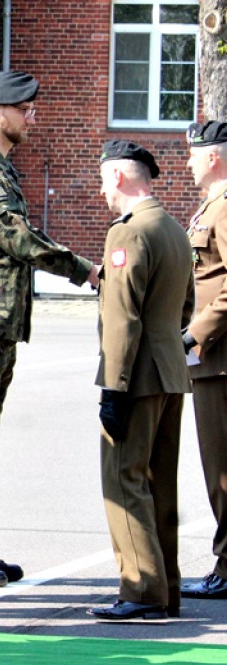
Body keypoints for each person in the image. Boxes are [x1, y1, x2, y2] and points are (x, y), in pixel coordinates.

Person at [0, 70, 99, 585]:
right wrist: (82, 270)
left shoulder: (0, 166)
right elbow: (15, 236)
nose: (32, 118)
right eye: (23, 110)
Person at [88, 140, 193, 621]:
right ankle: (165, 588)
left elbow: (122, 319)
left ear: (118, 176)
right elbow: (185, 306)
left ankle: (141, 589)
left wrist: (114, 387)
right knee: (159, 483)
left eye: (103, 180)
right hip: (169, 372)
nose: (102, 191)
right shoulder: (173, 228)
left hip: (136, 377)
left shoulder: (128, 233)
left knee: (124, 479)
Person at [181, 120, 227, 601]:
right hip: (212, 360)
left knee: (221, 471)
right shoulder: (212, 206)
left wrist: (194, 335)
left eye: (194, 155)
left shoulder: (225, 207)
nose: (189, 163)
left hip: (219, 359)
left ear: (213, 157)